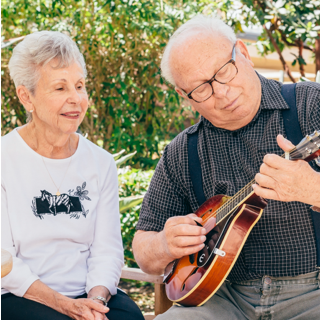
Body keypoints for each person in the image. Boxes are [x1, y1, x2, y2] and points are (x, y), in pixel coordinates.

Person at [132, 15, 320, 320]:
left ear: (243, 53)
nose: (221, 92)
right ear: (184, 96)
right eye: (200, 89)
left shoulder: (311, 105)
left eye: (223, 72)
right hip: (223, 299)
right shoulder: (183, 151)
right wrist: (165, 244)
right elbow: (143, 248)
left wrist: (313, 189)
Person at [1, 31, 144, 320]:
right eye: (60, 88)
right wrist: (66, 306)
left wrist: (96, 301)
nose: (76, 99)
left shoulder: (100, 162)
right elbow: (4, 261)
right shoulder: (5, 159)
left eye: (80, 86)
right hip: (18, 294)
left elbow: (107, 250)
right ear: (26, 96)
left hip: (88, 293)